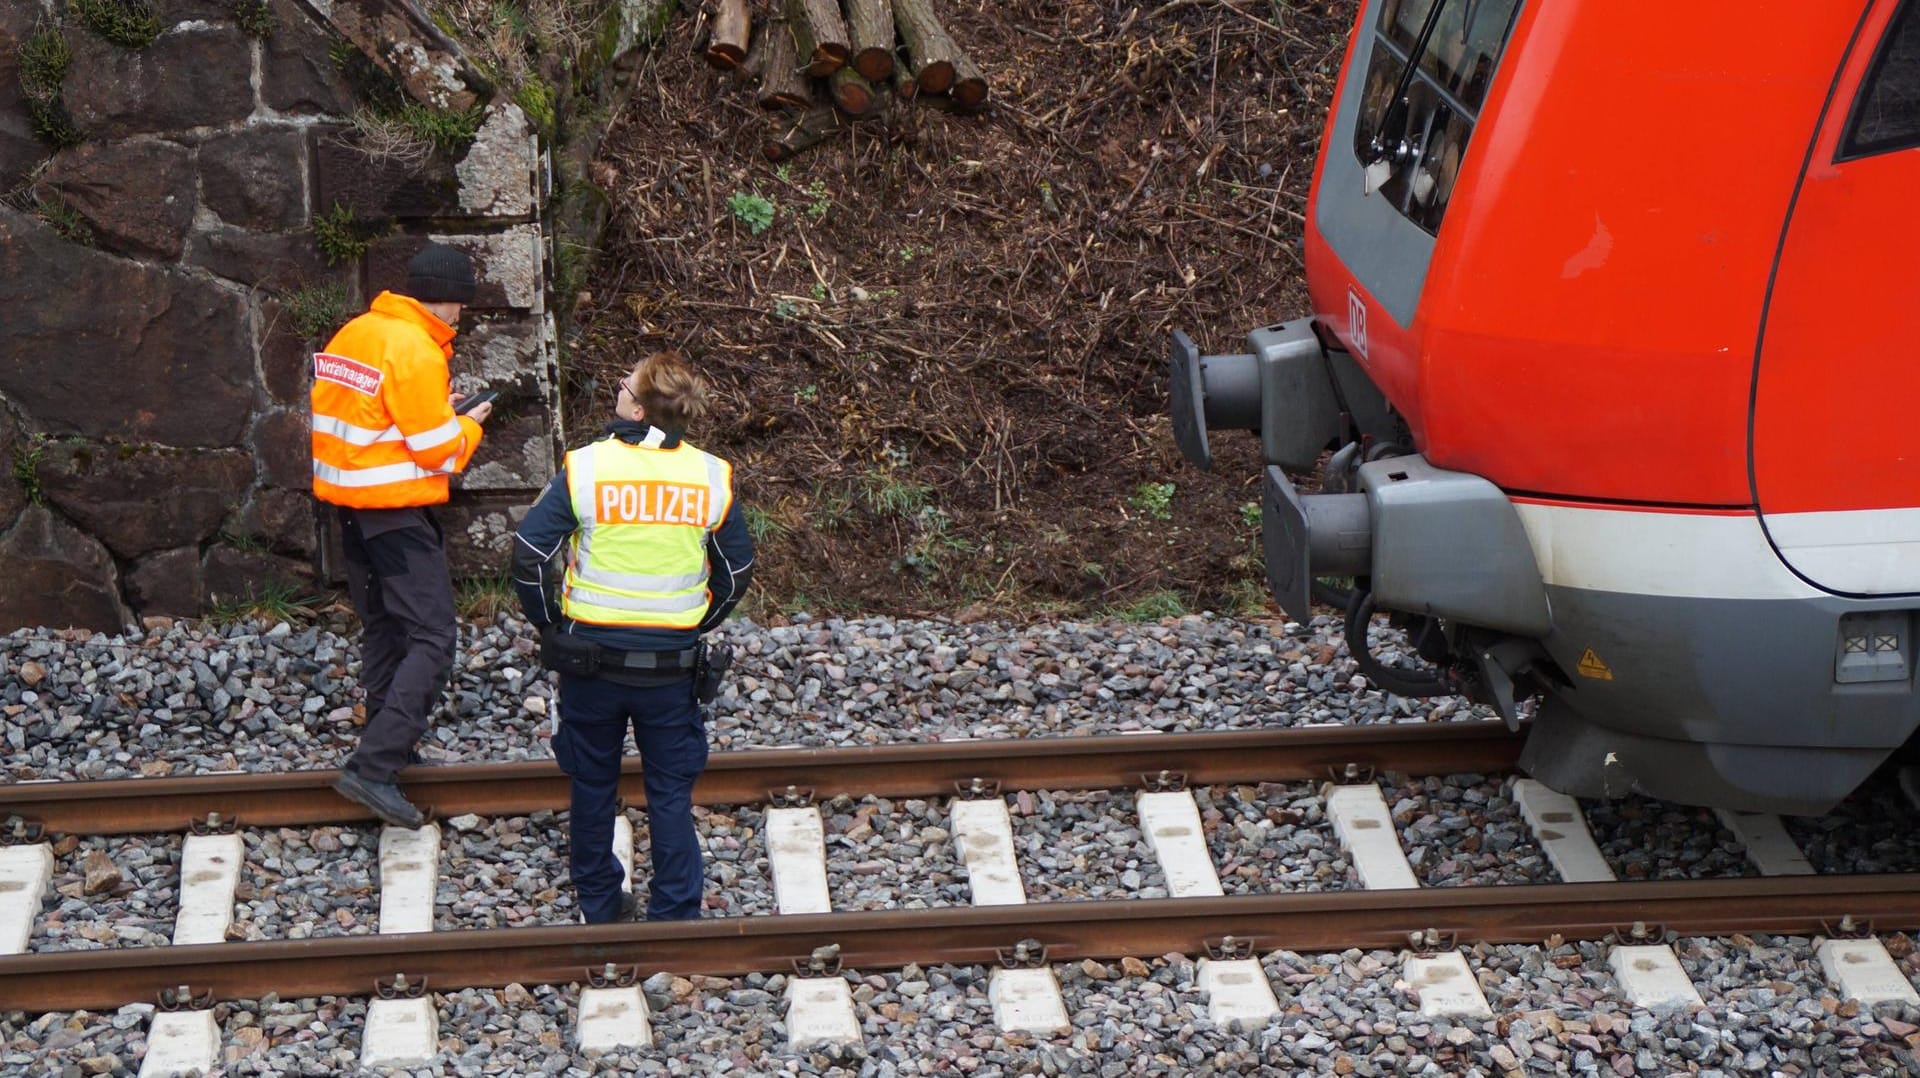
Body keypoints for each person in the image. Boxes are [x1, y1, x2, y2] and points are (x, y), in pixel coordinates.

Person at [512, 351, 753, 923]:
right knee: (670, 792)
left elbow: (529, 555)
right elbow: (737, 569)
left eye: (622, 383)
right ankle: (674, 914)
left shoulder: (587, 468)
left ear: (637, 407)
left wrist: (550, 624)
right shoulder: (712, 476)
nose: (616, 389)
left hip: (589, 660)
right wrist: (697, 619)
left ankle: (599, 905)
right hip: (670, 667)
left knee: (592, 785)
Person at [312, 243, 491, 828]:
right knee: (434, 637)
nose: (462, 317)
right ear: (449, 300)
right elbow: (439, 451)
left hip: (351, 508)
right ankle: (374, 767)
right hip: (395, 511)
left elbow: (373, 419)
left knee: (386, 630)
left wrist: (441, 411)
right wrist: (468, 423)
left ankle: (387, 743)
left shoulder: (359, 331)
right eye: (462, 305)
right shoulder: (416, 349)